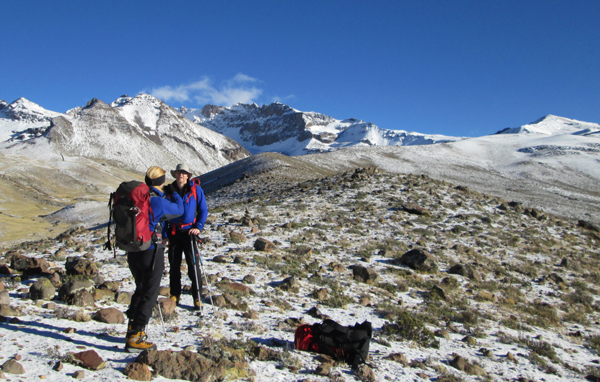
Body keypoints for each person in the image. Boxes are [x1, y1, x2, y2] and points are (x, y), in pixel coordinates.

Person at [125, 166, 184, 353]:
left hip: (133, 250)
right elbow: (179, 210)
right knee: (150, 293)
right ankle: (136, 336)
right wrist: (173, 193)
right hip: (151, 251)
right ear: (162, 181)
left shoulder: (138, 198)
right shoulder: (157, 201)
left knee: (141, 288)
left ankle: (132, 327)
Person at [165, 163, 208, 310]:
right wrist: (165, 234)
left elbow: (203, 210)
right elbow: (164, 214)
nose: (181, 175)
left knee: (193, 265)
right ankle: (175, 295)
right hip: (174, 232)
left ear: (188, 175)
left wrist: (198, 227)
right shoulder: (169, 191)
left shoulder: (196, 190)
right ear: (175, 175)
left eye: (183, 173)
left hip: (190, 232)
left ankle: (197, 297)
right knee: (174, 266)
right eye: (178, 173)